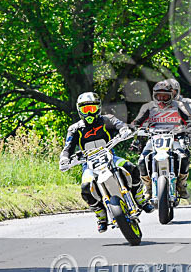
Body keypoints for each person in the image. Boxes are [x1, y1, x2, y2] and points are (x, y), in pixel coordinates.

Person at [59, 92, 149, 232]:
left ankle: (140, 198)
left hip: (110, 158)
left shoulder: (107, 119)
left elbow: (120, 125)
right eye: (85, 109)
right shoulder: (74, 128)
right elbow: (68, 148)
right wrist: (64, 159)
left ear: (98, 108)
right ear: (79, 110)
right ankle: (101, 216)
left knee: (131, 167)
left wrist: (124, 130)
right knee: (85, 188)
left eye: (92, 109)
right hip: (89, 164)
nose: (89, 113)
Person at [131, 80, 191, 205]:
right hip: (154, 139)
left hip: (173, 139)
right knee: (141, 160)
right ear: (154, 95)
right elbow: (136, 122)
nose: (162, 99)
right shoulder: (148, 106)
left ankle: (181, 184)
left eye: (165, 96)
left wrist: (187, 127)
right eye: (159, 96)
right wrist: (134, 129)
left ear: (171, 96)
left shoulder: (178, 106)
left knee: (183, 157)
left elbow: (190, 120)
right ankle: (148, 187)